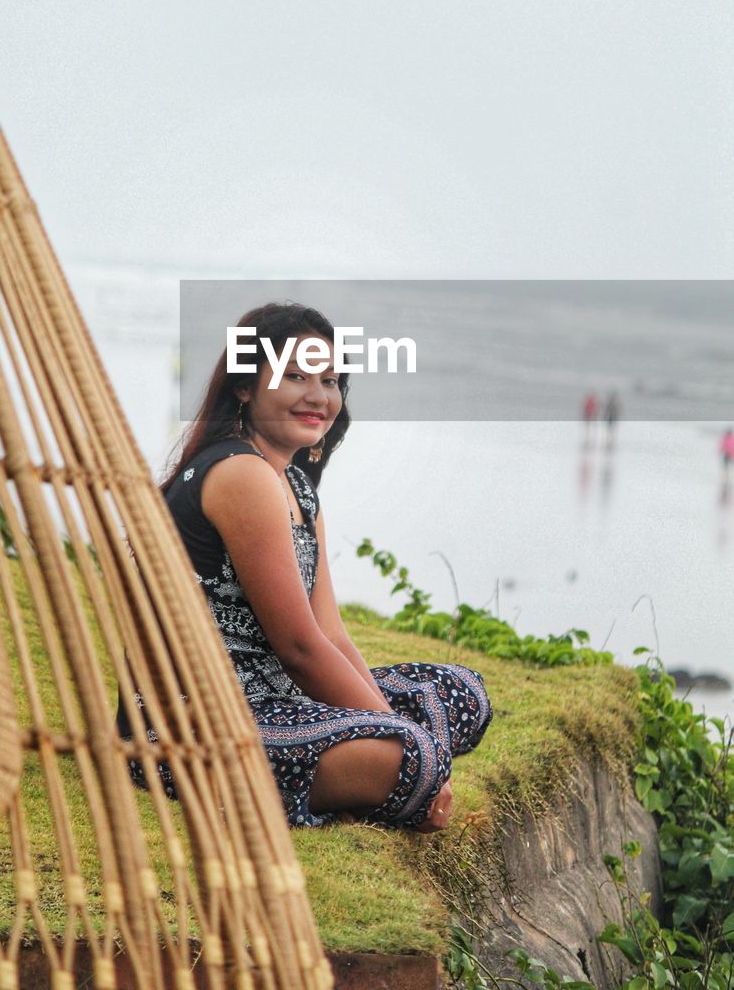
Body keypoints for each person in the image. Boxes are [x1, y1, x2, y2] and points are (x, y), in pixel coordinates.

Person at [116, 302, 492, 832]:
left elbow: (330, 634)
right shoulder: (240, 475)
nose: (319, 395)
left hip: (278, 702)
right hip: (190, 725)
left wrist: (384, 721)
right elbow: (299, 648)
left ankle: (361, 781)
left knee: (458, 691)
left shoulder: (295, 487)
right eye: (294, 376)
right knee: (410, 756)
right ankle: (368, 783)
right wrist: (403, 740)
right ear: (246, 386)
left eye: (331, 380)